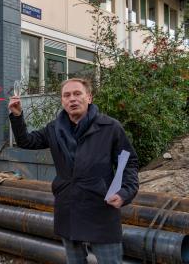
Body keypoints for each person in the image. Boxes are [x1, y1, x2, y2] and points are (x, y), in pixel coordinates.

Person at [8, 78, 138, 264]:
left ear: (89, 97)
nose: (72, 99)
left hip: (100, 207)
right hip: (68, 207)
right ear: (62, 101)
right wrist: (17, 116)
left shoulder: (110, 128)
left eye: (78, 94)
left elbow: (129, 162)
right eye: (67, 95)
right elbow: (26, 141)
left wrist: (125, 192)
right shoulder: (54, 129)